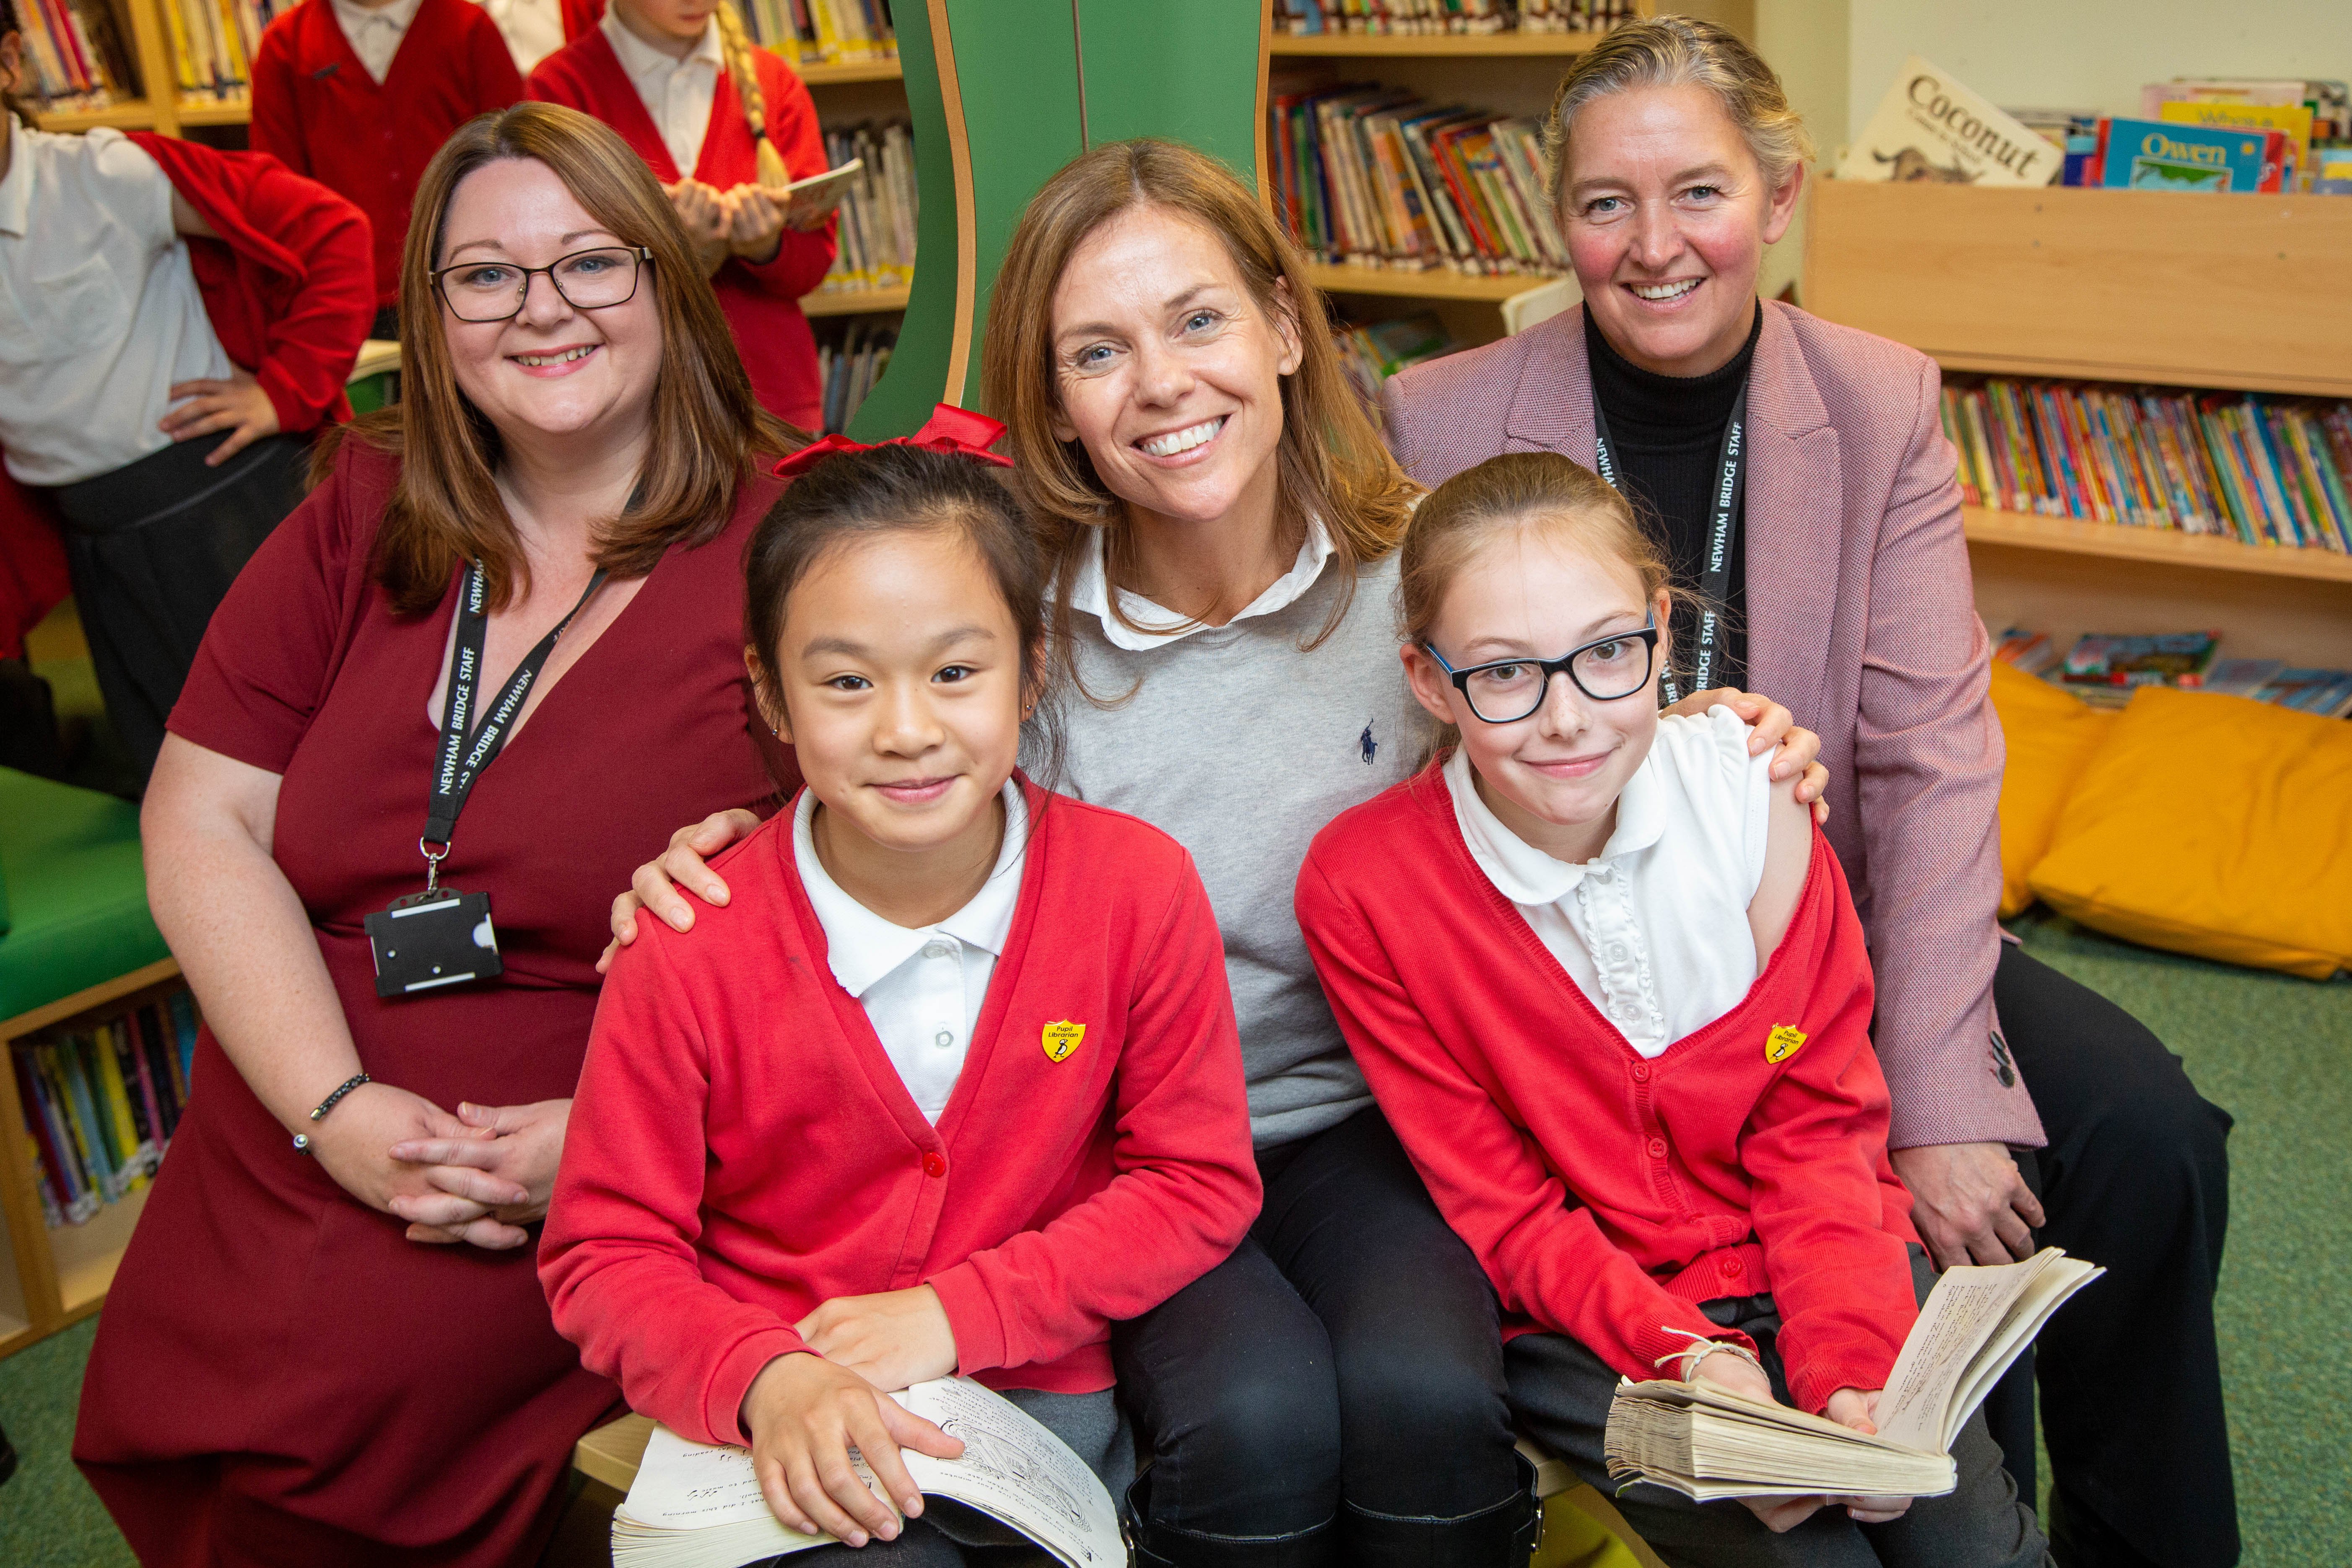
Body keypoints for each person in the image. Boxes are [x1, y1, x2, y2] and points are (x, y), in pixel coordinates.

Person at [604, 138, 1829, 1568]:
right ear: (1056, 408)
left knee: (1425, 1393)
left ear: (1283, 327)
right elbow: (894, 778)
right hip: (1108, 1148)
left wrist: (1721, 750)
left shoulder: (1420, 577)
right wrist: (722, 846)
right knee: (1253, 1418)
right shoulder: (1015, 630)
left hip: (1382, 1118)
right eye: (1099, 353)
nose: (1166, 384)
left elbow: (1577, 712)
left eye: (1199, 320)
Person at [1377, 20, 2235, 1568]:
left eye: (1698, 193)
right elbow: (1438, 701)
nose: (1652, 249)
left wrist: (1939, 1095)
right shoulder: (1439, 415)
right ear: (1555, 214)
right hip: (1587, 939)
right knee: (1946, 1199)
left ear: (1779, 197)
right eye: (1602, 205)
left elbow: (1931, 755)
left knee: (2144, 1136)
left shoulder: (1880, 396)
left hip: (1830, 915)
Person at [72, 102, 802, 1566]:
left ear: (668, 277)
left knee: (330, 1445)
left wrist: (614, 1141)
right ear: (433, 312)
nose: (542, 310)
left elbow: (886, 927)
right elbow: (202, 813)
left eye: (592, 262)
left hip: (588, 1150)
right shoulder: (362, 510)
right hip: (302, 1100)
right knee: (181, 1403)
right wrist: (330, 1113)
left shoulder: (803, 549)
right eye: (487, 276)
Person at [1296, 450, 2052, 1568]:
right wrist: (1686, 1354)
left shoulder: (1758, 799)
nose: (1566, 720)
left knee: (1969, 1545)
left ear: (1658, 627)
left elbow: (1816, 1125)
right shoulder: (1365, 888)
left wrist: (1848, 1363)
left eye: (1608, 653)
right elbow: (1503, 1207)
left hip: (1824, 1252)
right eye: (1504, 674)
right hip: (1590, 1318)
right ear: (1425, 677)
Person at [543, 431, 1263, 1564]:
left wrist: (954, 1314)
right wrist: (763, 1375)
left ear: (1033, 668)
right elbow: (604, 1253)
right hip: (786, 1415)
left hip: (1037, 1411)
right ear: (771, 697)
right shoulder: (686, 942)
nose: (907, 728)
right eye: (843, 682)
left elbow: (1195, 1179)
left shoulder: (1134, 887)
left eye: (955, 672)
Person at [0, 7, 376, 779]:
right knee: (174, 777)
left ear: (9, 63)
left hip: (220, 508)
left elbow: (333, 230)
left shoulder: (107, 176)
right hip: (99, 545)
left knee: (313, 754)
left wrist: (286, 390)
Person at [528, 0, 835, 429]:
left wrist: (767, 247)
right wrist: (673, 253)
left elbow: (814, 263)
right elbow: (546, 269)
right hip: (626, 410)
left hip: (769, 396)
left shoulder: (774, 82)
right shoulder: (559, 90)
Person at [250, 0, 524, 337]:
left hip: (469, 283)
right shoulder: (287, 45)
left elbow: (517, 159)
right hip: (345, 300)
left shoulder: (469, 28)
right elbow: (276, 195)